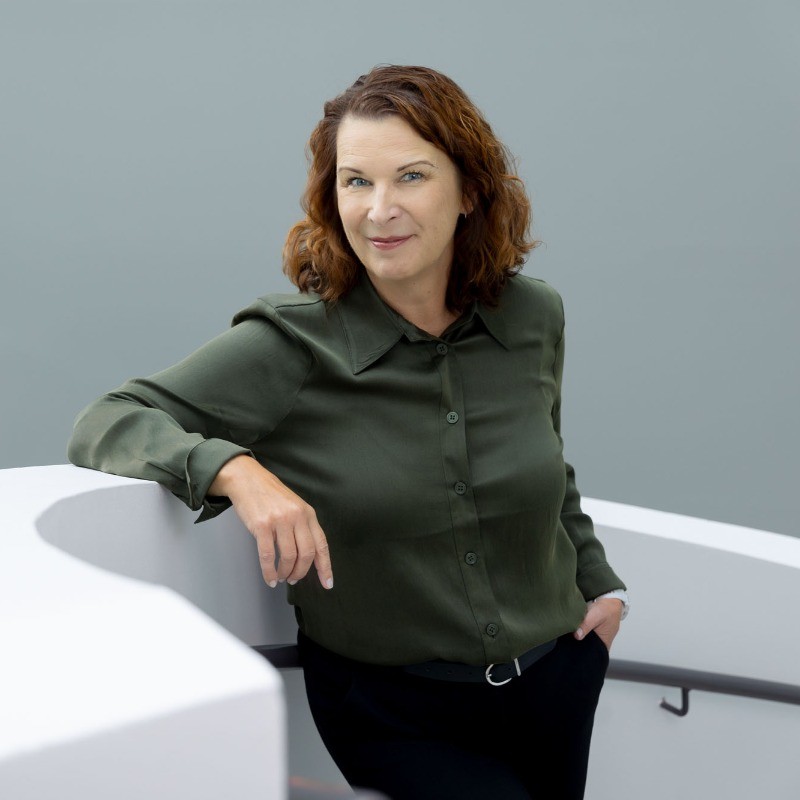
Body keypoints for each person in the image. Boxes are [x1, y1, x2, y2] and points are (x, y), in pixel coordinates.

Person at [68, 64, 629, 800]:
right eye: (356, 181)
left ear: (470, 191)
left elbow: (549, 462)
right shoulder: (290, 345)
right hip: (392, 710)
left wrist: (599, 583)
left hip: (556, 683)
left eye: (411, 177)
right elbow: (107, 420)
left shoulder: (533, 316)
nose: (380, 209)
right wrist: (237, 471)